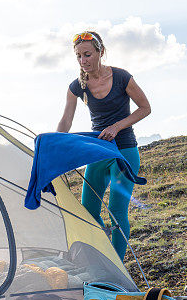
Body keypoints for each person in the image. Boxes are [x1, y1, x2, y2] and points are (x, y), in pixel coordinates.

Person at [57, 31, 151, 260]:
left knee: (118, 212)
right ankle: (105, 254)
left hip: (124, 150)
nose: (83, 61)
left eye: (87, 54)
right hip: (98, 151)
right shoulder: (76, 86)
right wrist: (55, 145)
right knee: (88, 211)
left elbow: (145, 108)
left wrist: (117, 127)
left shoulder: (121, 77)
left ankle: (118, 268)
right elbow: (66, 120)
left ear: (100, 52)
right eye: (79, 56)